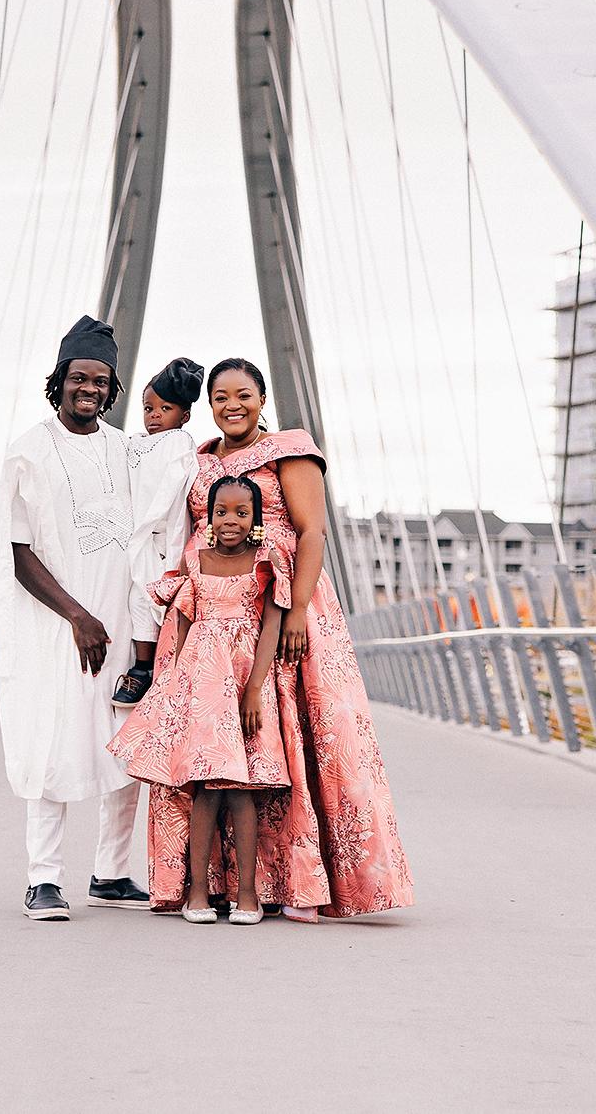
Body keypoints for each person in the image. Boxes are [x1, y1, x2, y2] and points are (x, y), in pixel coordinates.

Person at [142, 357, 414, 920]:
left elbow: (311, 531)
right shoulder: (196, 461)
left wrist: (294, 613)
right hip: (211, 612)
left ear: (262, 399)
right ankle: (208, 884)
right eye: (219, 397)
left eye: (243, 394)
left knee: (288, 739)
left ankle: (298, 884)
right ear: (208, 405)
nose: (231, 405)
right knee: (208, 753)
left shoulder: (290, 448)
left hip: (283, 602)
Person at [0, 315, 152, 921]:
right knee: (53, 745)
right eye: (79, 378)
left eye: (101, 381)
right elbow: (16, 552)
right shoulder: (28, 452)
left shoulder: (124, 449)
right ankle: (43, 879)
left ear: (112, 388)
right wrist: (77, 616)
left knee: (127, 748)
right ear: (59, 381)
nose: (90, 389)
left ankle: (111, 873)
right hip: (61, 628)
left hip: (123, 627)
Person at [109, 475, 290, 925]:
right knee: (205, 786)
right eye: (221, 512)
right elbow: (184, 626)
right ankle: (196, 894)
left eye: (241, 513)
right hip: (202, 685)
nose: (230, 521)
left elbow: (270, 627)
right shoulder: (197, 560)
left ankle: (247, 894)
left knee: (243, 789)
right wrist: (174, 688)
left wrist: (253, 690)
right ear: (208, 517)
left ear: (256, 519)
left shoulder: (265, 562)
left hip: (245, 679)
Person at [114, 356, 204, 706]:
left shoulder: (180, 444)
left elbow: (171, 493)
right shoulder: (133, 443)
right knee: (136, 601)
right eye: (147, 407)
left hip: (163, 539)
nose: (153, 415)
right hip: (135, 536)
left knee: (160, 599)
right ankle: (141, 667)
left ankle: (169, 674)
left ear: (183, 417)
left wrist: (147, 528)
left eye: (164, 408)